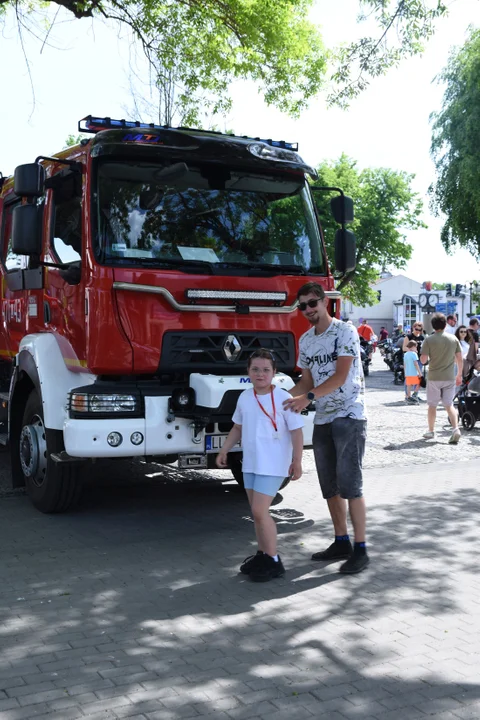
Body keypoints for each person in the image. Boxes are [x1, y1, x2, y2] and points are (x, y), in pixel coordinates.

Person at [283, 282, 369, 574]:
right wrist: (281, 399)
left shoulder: (345, 331)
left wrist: (306, 398)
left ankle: (360, 549)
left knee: (351, 486)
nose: (308, 310)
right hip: (323, 418)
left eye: (312, 303)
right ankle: (341, 540)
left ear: (323, 302)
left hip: (349, 414)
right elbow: (306, 381)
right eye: (303, 306)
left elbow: (341, 376)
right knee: (329, 486)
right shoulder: (305, 340)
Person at [216, 349, 304, 582]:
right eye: (255, 369)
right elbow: (237, 427)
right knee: (256, 514)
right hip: (251, 463)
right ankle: (263, 554)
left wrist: (297, 461)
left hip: (274, 463)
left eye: (266, 370)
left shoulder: (284, 397)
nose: (260, 374)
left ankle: (274, 560)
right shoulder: (245, 397)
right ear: (248, 372)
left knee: (259, 511)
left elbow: (296, 431)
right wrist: (225, 450)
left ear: (274, 373)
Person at [420, 313, 462, 443]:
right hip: (449, 377)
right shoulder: (453, 339)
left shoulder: (428, 340)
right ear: (445, 324)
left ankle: (431, 431)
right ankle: (455, 429)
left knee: (432, 405)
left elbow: (423, 360)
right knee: (449, 405)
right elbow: (460, 359)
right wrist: (459, 374)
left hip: (434, 377)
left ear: (433, 325)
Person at [402, 321, 425, 402]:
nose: (418, 331)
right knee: (409, 377)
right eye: (416, 329)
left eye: (420, 329)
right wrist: (412, 352)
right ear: (413, 328)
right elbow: (404, 348)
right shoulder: (408, 336)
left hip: (419, 359)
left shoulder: (422, 337)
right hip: (411, 360)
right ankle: (407, 395)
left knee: (417, 378)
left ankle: (415, 395)